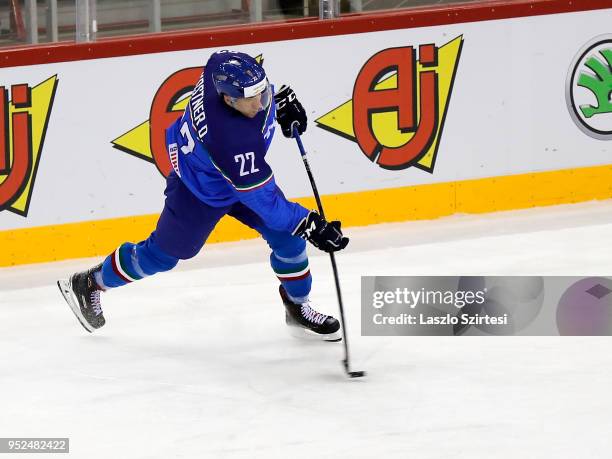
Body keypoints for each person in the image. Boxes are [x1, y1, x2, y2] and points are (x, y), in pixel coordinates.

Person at [57, 50, 349, 341]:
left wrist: (277, 101)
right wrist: (311, 224)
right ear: (229, 99)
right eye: (253, 98)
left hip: (229, 171)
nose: (260, 102)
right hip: (198, 189)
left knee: (288, 237)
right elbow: (266, 202)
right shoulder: (231, 138)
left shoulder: (219, 69)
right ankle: (90, 283)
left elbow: (250, 84)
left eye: (262, 92)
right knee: (162, 256)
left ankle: (297, 306)